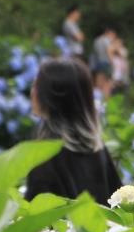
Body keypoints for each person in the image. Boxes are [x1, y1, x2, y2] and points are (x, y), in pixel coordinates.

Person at [25, 58, 122, 204]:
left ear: (51, 99)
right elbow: (118, 204)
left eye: (36, 85)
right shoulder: (98, 150)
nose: (32, 91)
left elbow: (35, 211)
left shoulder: (44, 155)